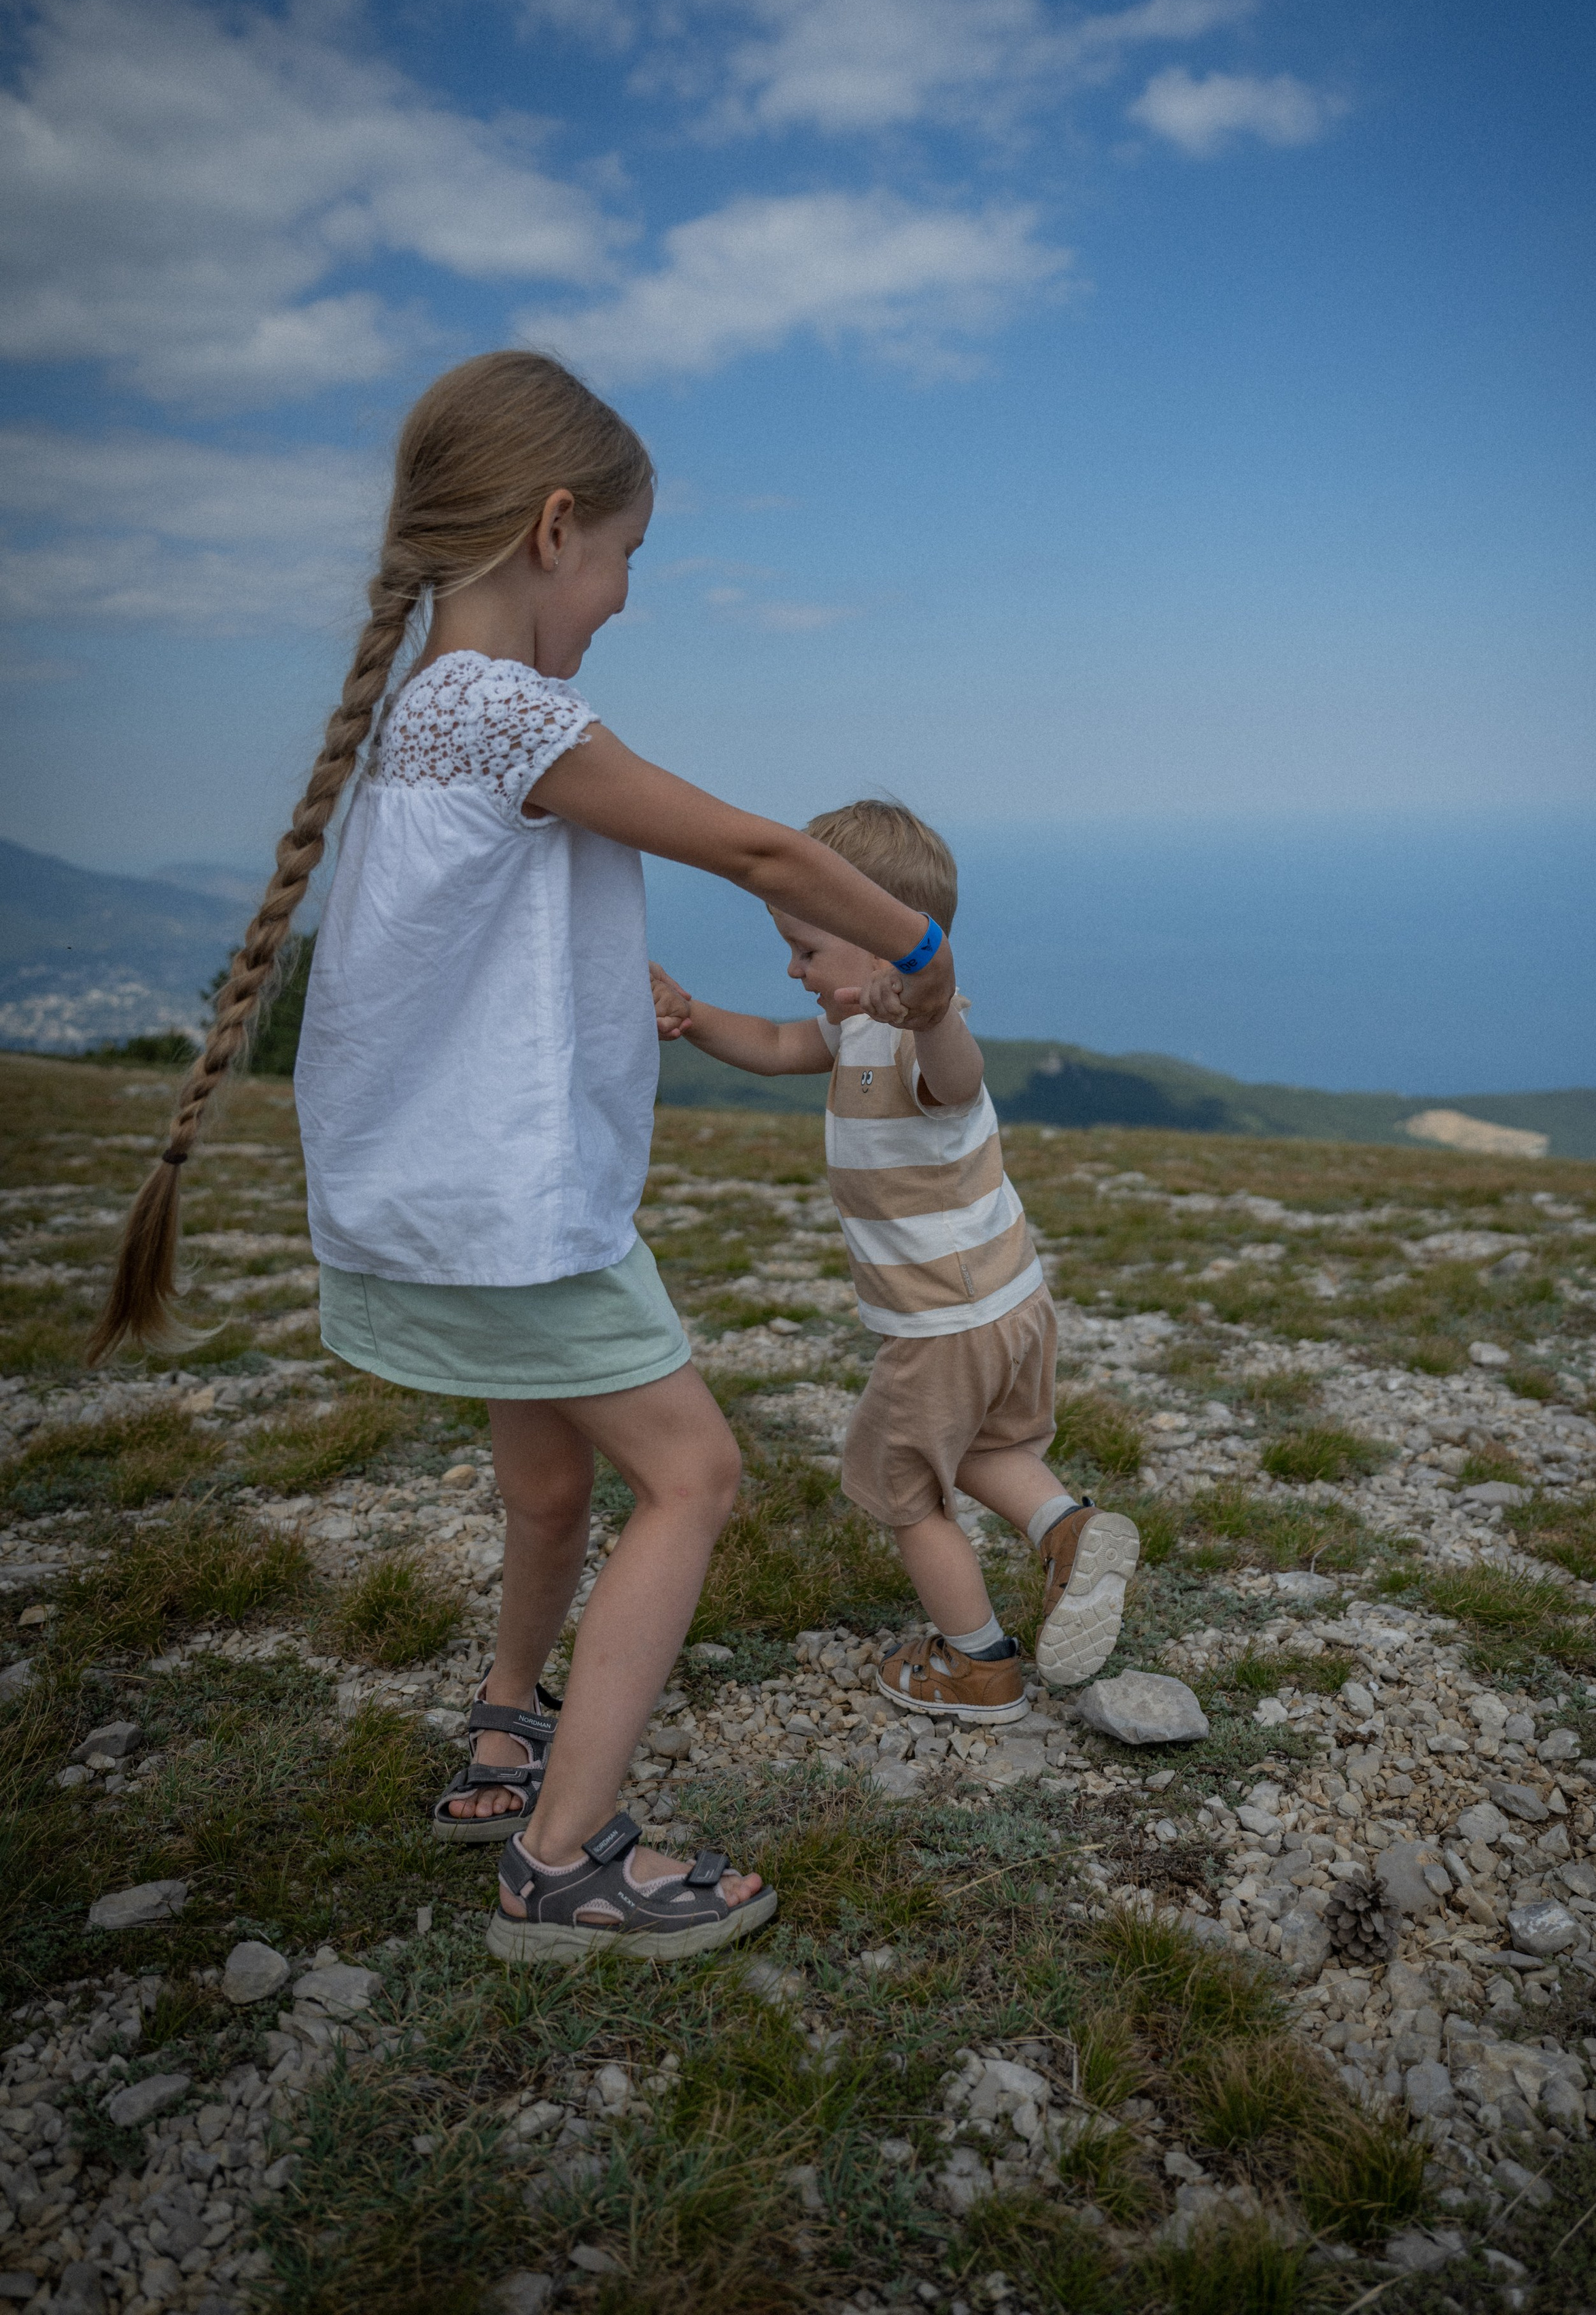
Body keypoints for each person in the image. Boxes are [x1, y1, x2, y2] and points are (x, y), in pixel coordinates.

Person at [90, 352, 960, 1966]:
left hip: (429, 1204)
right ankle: (563, 1864)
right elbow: (765, 852)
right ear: (556, 529)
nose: (627, 596)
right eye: (627, 555)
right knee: (693, 1478)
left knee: (552, 1481)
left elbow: (468, 943)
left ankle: (508, 1730)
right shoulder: (509, 709)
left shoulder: (426, 713)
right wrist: (920, 948)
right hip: (514, 1217)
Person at [650, 799, 1139, 1726]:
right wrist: (694, 1014)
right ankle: (1071, 1532)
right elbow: (778, 1044)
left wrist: (931, 1008)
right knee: (990, 1447)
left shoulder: (924, 1038)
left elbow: (955, 1075)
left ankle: (977, 1663)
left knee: (905, 1494)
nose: (790, 968)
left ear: (885, 943)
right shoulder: (851, 1027)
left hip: (944, 1324)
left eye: (805, 948)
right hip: (1010, 1303)